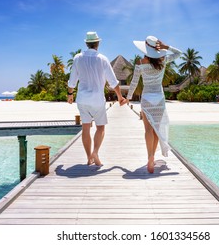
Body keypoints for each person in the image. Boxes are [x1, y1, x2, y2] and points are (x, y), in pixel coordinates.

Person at [68, 31, 126, 166]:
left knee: (86, 128)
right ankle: (95, 151)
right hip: (97, 100)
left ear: (86, 44)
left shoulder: (77, 58)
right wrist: (119, 97)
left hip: (82, 99)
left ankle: (89, 157)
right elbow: (113, 81)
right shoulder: (102, 59)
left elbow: (72, 81)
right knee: (100, 128)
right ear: (97, 43)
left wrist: (70, 94)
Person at [126, 36, 182, 173]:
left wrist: (127, 98)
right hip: (159, 99)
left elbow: (134, 82)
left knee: (148, 130)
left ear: (145, 48)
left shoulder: (140, 62)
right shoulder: (163, 60)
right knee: (156, 129)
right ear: (156, 47)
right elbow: (179, 53)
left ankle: (149, 156)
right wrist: (166, 47)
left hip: (146, 99)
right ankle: (153, 156)